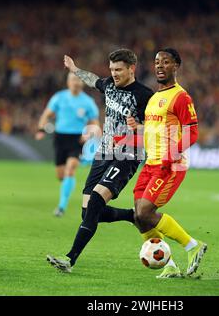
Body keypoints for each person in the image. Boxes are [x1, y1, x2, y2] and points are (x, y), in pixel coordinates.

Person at [47, 49, 153, 272]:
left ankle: (70, 259)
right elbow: (94, 80)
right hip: (103, 152)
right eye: (112, 69)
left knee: (96, 201)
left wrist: (140, 128)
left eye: (119, 70)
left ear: (131, 69)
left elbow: (156, 126)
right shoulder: (109, 85)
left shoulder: (144, 95)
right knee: (88, 213)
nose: (114, 74)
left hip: (128, 154)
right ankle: (131, 216)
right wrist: (75, 70)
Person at [132, 48, 207, 278]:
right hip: (150, 164)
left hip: (170, 164)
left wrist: (170, 155)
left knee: (146, 211)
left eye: (166, 62)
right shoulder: (155, 98)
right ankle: (170, 265)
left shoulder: (181, 97)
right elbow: (156, 130)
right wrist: (138, 129)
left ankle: (192, 245)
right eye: (157, 62)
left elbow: (191, 133)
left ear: (176, 66)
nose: (160, 66)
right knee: (138, 216)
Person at [36, 72, 100, 216]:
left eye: (78, 80)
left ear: (82, 83)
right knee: (61, 175)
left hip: (77, 139)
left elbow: (95, 122)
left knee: (70, 169)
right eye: (72, 79)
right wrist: (41, 129)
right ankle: (66, 186)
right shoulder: (59, 97)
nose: (75, 82)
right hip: (60, 138)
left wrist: (89, 134)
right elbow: (47, 114)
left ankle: (61, 207)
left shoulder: (88, 101)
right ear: (68, 82)